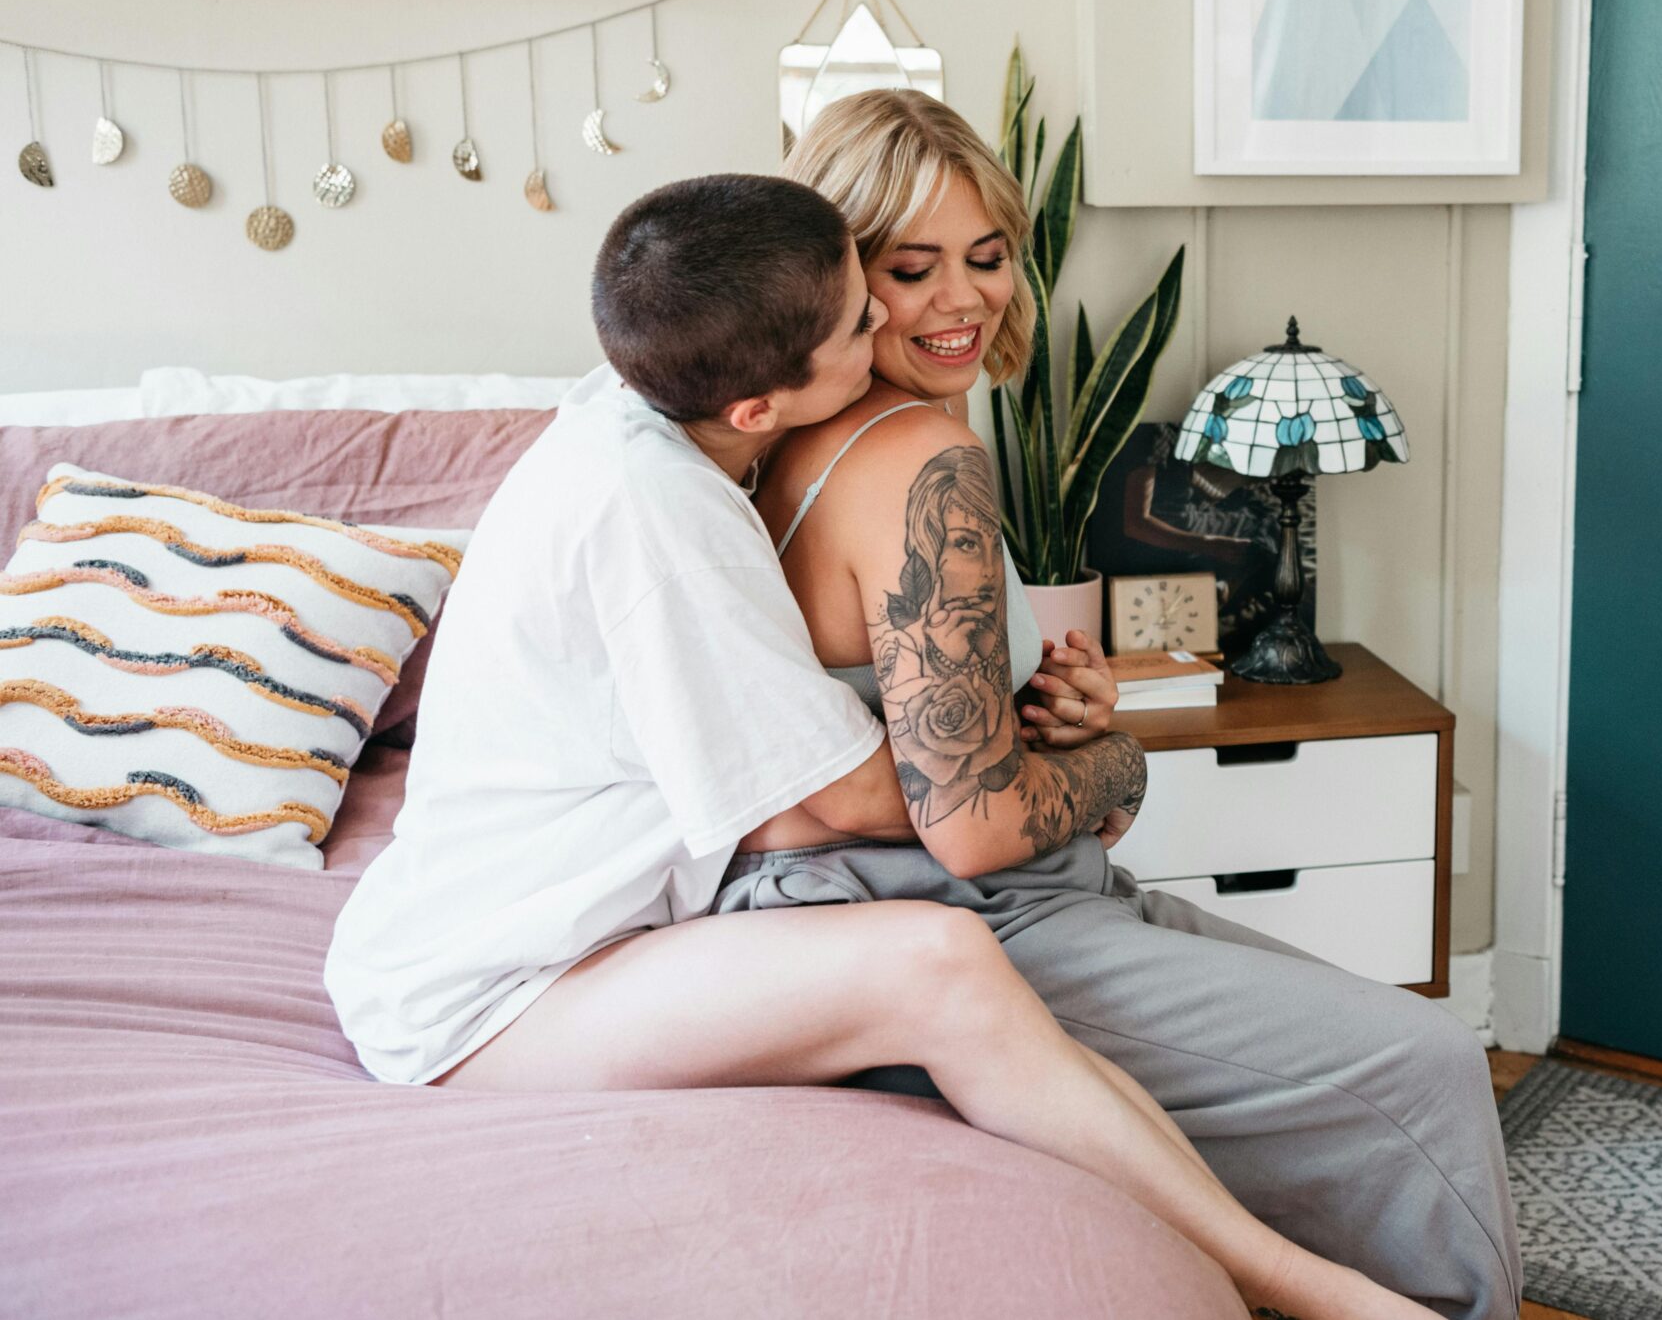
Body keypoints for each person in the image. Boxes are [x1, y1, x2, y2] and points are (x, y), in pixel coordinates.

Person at [324, 173, 1433, 1320]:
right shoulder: (660, 519)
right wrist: (1102, 769)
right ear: (759, 404)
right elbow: (852, 800)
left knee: (949, 960)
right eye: (866, 314)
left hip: (543, 931)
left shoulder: (647, 398)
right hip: (496, 996)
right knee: (935, 963)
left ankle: (1286, 1274)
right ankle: (1312, 1288)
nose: (892, 322)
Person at [735, 92, 1521, 1320]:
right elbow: (979, 824)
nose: (962, 299)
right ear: (836, 278)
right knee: (1419, 1057)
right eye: (912, 265)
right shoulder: (914, 458)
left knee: (1360, 1035)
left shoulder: (796, 437)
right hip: (946, 907)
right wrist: (1116, 763)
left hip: (914, 888)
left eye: (990, 256)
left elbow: (915, 715)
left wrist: (1055, 705)